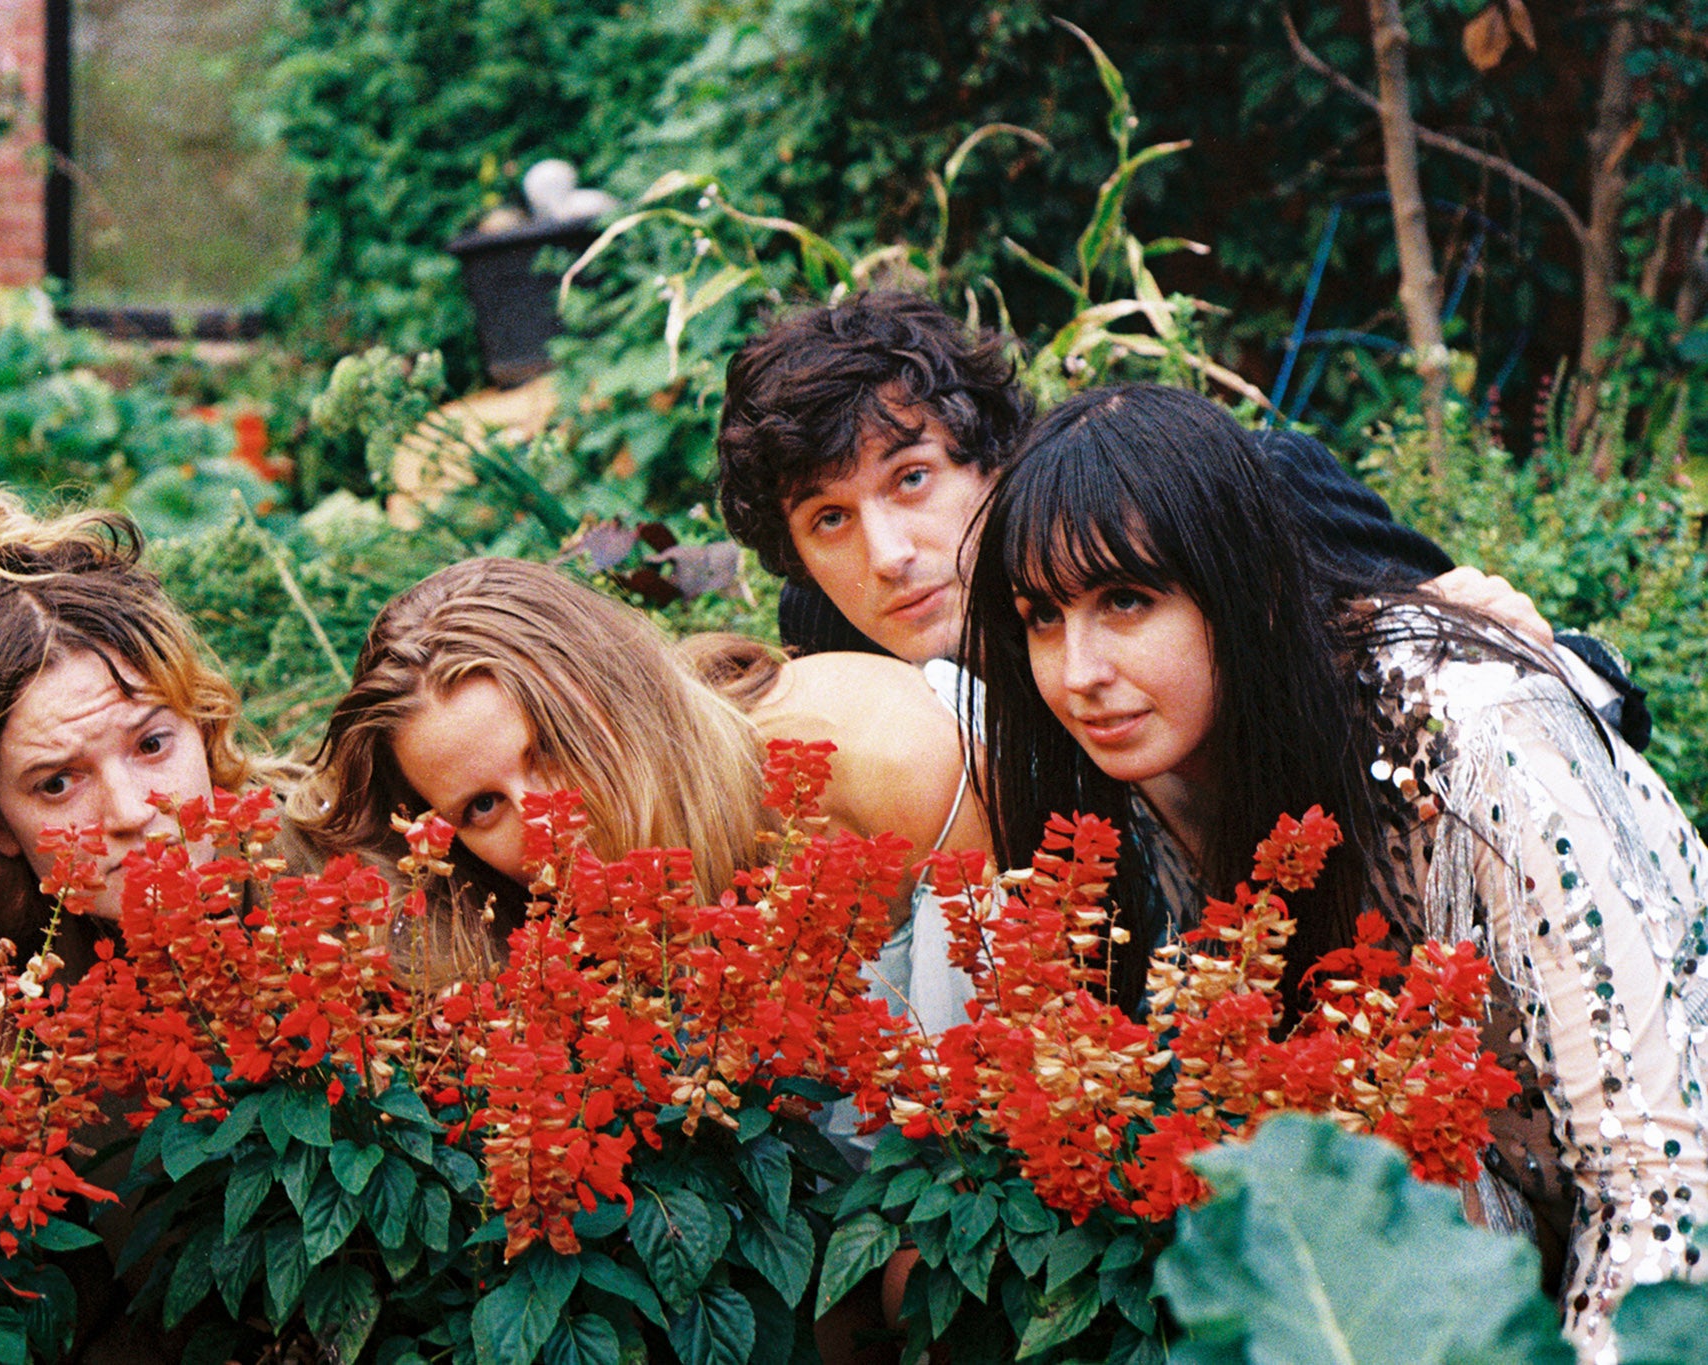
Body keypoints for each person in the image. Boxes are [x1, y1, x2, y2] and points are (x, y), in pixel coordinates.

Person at [959, 382, 1708, 1361]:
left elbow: (1660, 1179)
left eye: (1126, 600)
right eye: (1041, 617)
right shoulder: (1158, 752)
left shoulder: (1484, 746)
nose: (1076, 670)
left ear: (1250, 591)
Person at [712, 290, 1653, 748]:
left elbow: (1541, 686)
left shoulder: (1239, 499)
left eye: (912, 477)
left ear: (994, 458)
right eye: (828, 519)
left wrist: (1525, 653)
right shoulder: (837, 645)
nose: (886, 555)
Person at [0, 487, 295, 1363]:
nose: (131, 811)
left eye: (153, 744)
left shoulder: (305, 879)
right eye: (55, 782)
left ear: (205, 724)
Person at [297, 557, 981, 986]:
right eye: (481, 807)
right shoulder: (518, 935)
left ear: (622, 689)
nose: (546, 823)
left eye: (552, 746)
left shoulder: (879, 754)